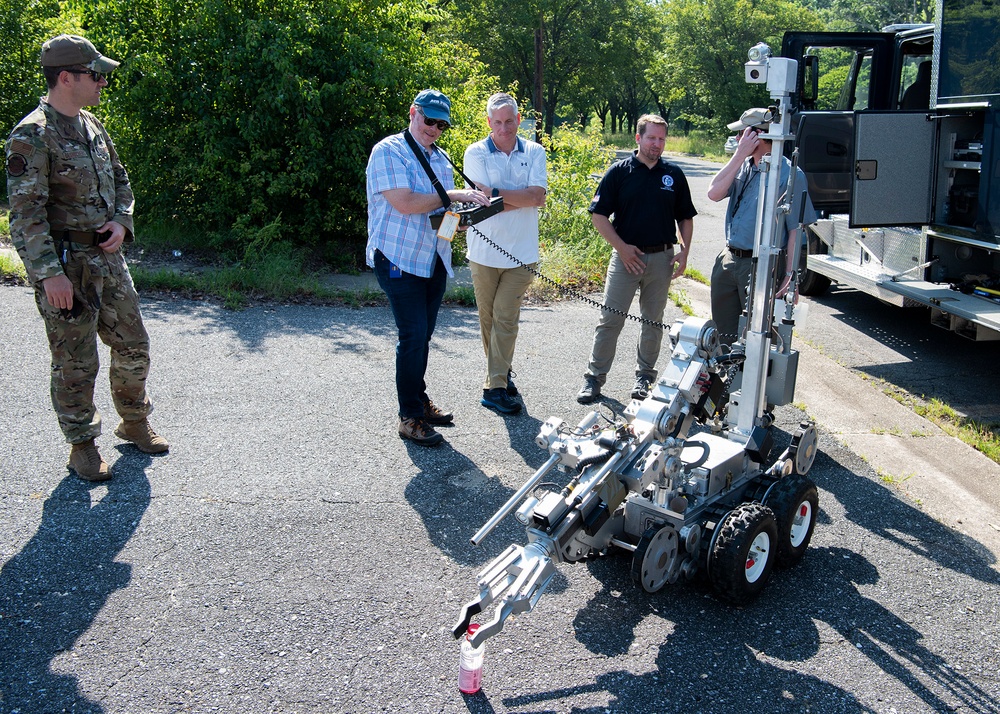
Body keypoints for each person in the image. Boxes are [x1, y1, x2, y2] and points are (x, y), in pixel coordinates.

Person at [5, 34, 169, 482]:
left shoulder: (92, 125)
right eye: (95, 75)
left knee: (133, 343)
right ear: (65, 77)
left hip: (106, 258)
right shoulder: (32, 135)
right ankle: (82, 445)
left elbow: (120, 178)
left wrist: (122, 222)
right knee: (76, 360)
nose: (101, 82)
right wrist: (48, 276)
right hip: (65, 264)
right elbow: (26, 217)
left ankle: (133, 421)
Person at [366, 89, 489, 447]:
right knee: (413, 335)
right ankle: (409, 417)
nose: (434, 128)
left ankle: (418, 402)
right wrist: (457, 196)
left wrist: (459, 222)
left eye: (441, 124)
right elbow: (404, 203)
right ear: (412, 113)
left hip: (432, 257)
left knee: (423, 336)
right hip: (396, 257)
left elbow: (437, 213)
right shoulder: (388, 151)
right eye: (429, 119)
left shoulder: (440, 157)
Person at [576, 114, 696, 404]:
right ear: (638, 138)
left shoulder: (673, 175)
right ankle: (594, 379)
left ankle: (644, 378)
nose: (657, 144)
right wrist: (621, 248)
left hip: (662, 258)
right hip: (626, 257)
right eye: (652, 138)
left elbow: (685, 217)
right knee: (610, 320)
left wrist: (684, 250)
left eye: (662, 139)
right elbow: (598, 215)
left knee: (653, 322)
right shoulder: (619, 172)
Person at [462, 93, 547, 415]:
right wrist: (519, 198)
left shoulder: (535, 151)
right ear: (488, 122)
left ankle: (494, 389)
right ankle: (501, 373)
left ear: (518, 118)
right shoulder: (476, 152)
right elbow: (479, 205)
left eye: (509, 121)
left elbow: (537, 197)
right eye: (497, 122)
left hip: (522, 254)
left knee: (505, 318)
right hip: (483, 251)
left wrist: (495, 195)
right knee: (489, 320)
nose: (504, 128)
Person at [707, 108, 817, 342]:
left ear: (757, 135)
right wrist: (738, 155)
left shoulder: (790, 175)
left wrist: (791, 276)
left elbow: (795, 230)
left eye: (742, 134)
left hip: (762, 266)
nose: (738, 140)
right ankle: (727, 379)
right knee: (723, 337)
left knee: (758, 338)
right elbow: (714, 193)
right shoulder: (743, 165)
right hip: (729, 261)